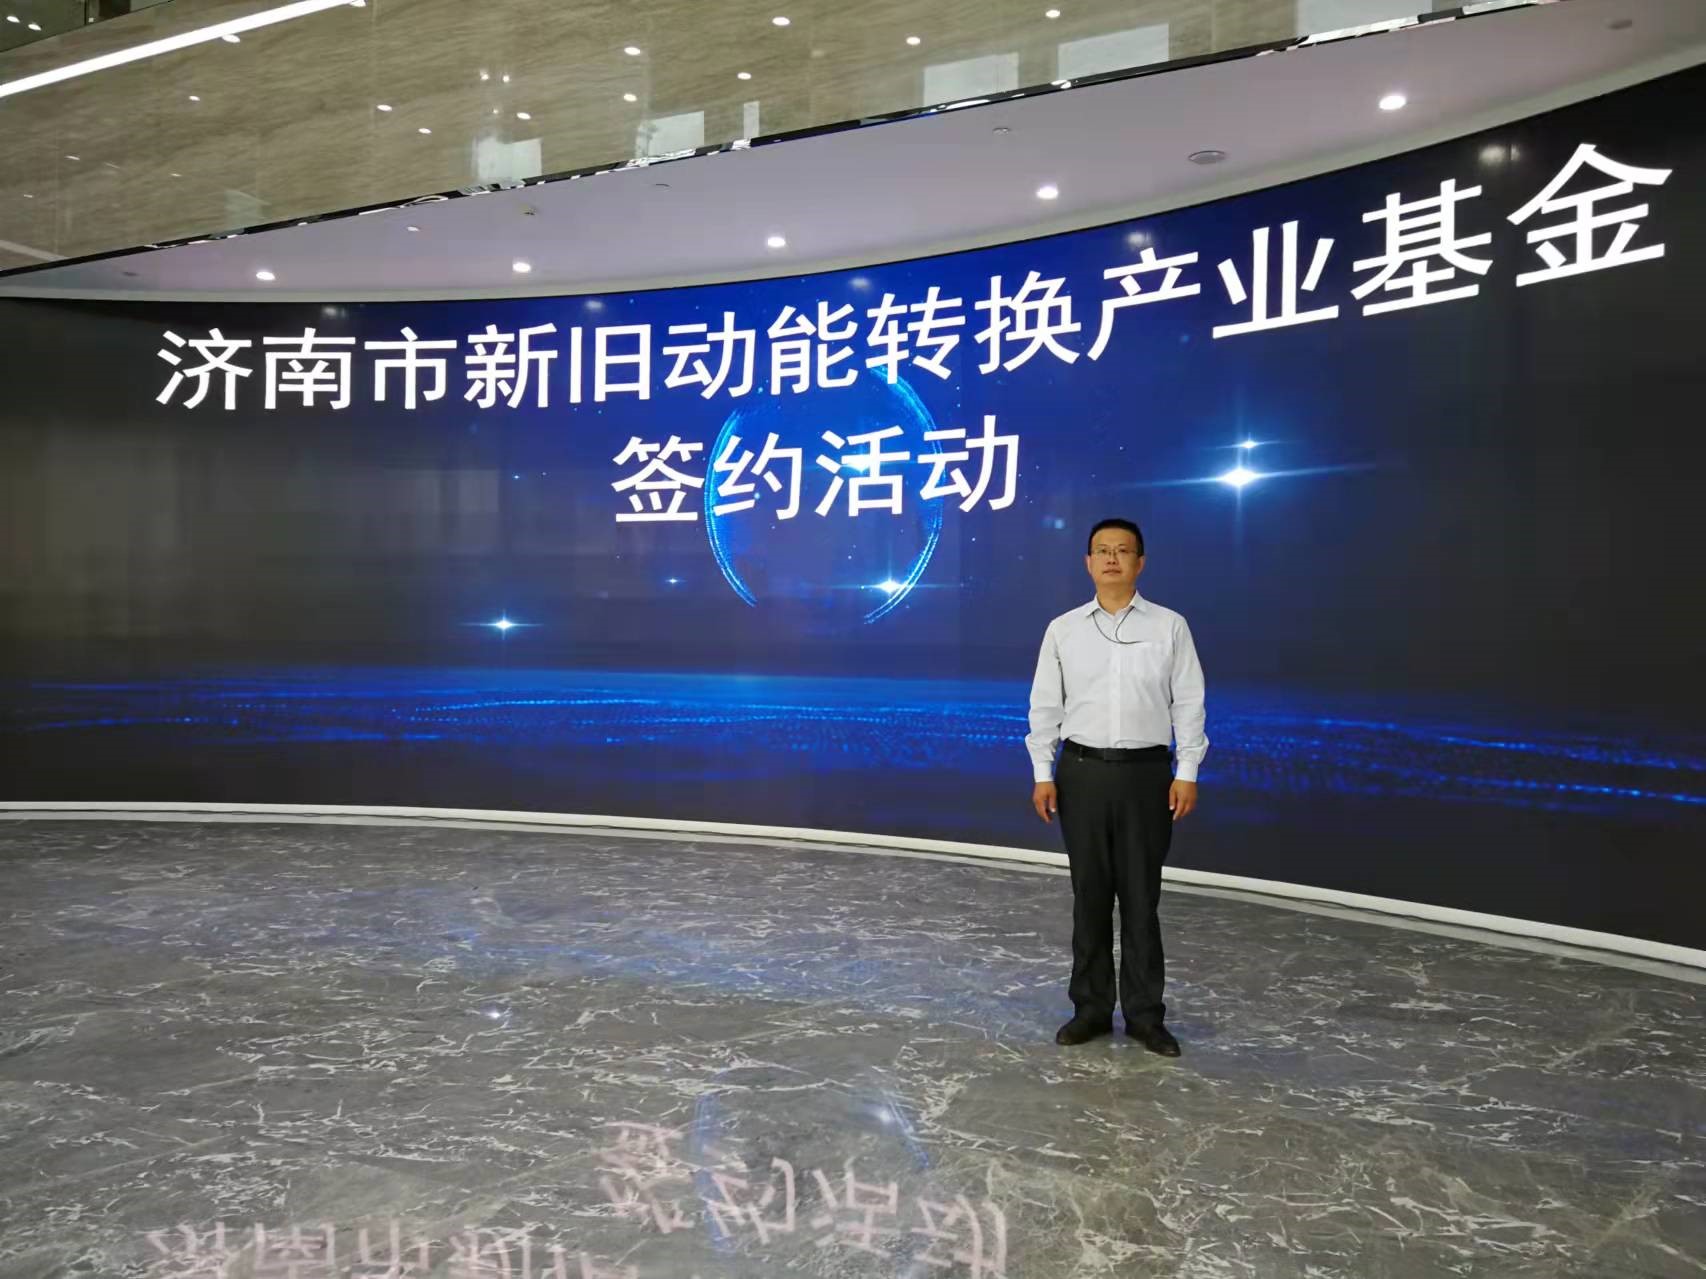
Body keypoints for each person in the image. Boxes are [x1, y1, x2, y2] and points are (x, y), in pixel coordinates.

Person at [1025, 518, 1207, 1057]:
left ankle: (1146, 1016)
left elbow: (1188, 702)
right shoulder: (1063, 629)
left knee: (1140, 899)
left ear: (1139, 562)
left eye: (1122, 550)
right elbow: (1045, 705)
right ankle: (1091, 1009)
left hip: (1147, 776)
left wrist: (1188, 770)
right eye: (1101, 550)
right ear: (1088, 562)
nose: (1111, 559)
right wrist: (1042, 772)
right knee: (1090, 897)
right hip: (1080, 773)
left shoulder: (1169, 626)